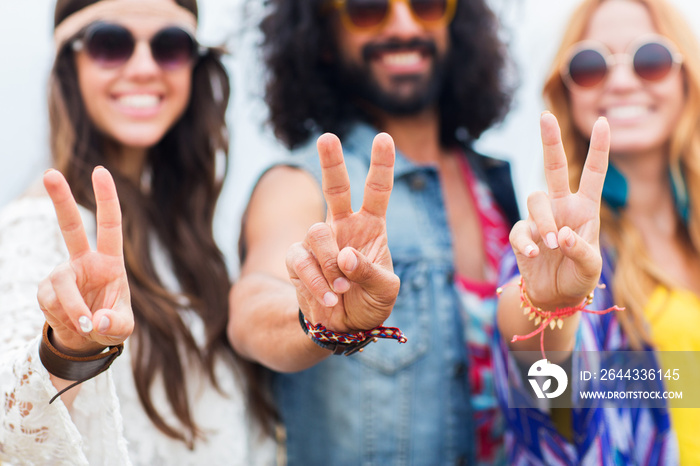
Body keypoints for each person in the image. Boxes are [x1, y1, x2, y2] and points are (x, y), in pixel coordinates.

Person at [228, 0, 520, 463]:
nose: (404, 26)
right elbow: (251, 309)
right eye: (367, 9)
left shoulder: (495, 187)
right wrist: (318, 318)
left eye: (427, 5)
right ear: (322, 38)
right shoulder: (300, 184)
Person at [0, 0, 275, 463]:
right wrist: (69, 348)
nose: (145, 67)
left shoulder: (194, 233)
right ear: (70, 65)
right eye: (111, 43)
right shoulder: (37, 227)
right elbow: (10, 429)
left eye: (170, 46)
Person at [495, 0, 700, 463]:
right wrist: (550, 310)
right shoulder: (551, 245)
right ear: (565, 92)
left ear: (687, 79)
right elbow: (555, 405)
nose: (622, 81)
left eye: (650, 58)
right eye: (590, 64)